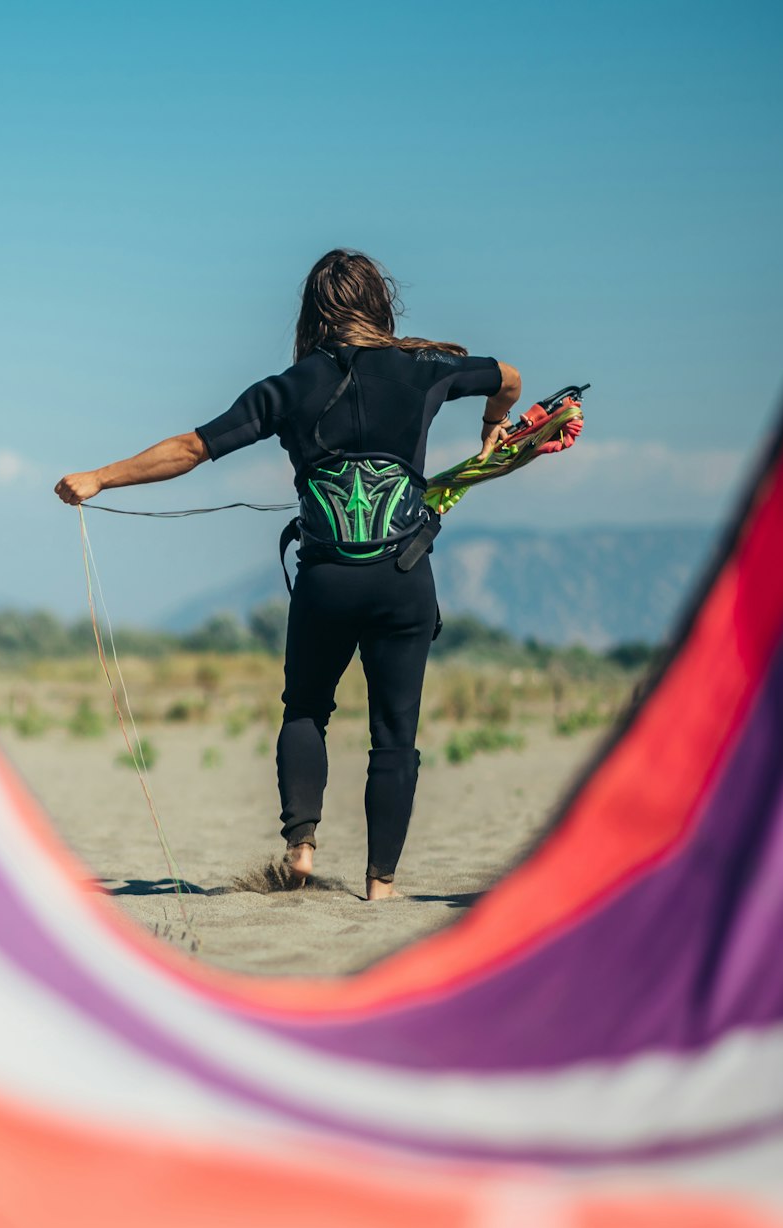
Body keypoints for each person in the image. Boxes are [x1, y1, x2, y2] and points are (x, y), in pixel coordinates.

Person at [55, 250, 521, 900]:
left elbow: (192, 447)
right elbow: (510, 376)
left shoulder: (290, 385)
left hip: (326, 581)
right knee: (395, 734)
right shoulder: (427, 370)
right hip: (402, 576)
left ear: (313, 314)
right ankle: (380, 888)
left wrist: (99, 477)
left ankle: (301, 847)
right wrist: (493, 427)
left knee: (305, 709)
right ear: (380, 304)